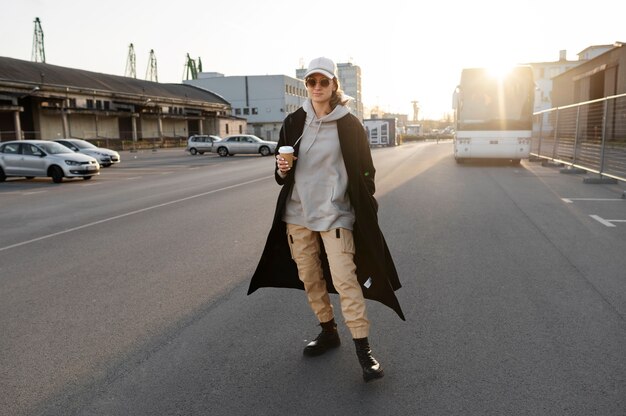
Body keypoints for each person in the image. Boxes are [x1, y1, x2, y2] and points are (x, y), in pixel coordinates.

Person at [248, 57, 404, 382]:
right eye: (311, 82)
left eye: (324, 82)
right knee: (309, 276)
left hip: (335, 214)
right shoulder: (294, 121)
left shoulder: (350, 125)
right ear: (306, 86)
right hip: (297, 213)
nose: (317, 88)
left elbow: (366, 172)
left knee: (346, 279)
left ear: (334, 86)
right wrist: (281, 169)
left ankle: (363, 349)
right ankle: (328, 329)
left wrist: (358, 198)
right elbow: (281, 168)